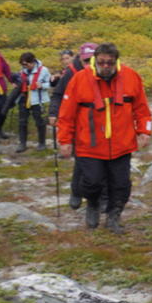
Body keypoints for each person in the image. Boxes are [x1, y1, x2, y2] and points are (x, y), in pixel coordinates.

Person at [58, 42, 152, 232]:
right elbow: (66, 114)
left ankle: (113, 217)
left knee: (121, 184)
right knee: (92, 181)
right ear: (95, 60)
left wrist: (144, 131)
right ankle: (92, 203)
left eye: (110, 62)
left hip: (122, 144)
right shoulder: (79, 79)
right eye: (102, 62)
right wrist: (65, 140)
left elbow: (142, 109)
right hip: (89, 143)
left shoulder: (131, 77)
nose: (106, 66)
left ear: (116, 61)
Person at [53, 42, 98, 209]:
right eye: (86, 60)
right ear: (80, 58)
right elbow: (58, 94)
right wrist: (53, 113)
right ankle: (76, 192)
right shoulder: (71, 72)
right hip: (78, 123)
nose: (89, 64)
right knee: (81, 161)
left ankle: (97, 199)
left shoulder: (105, 71)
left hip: (100, 125)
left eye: (92, 59)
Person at [13, 52, 52, 152]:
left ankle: (42, 143)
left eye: (26, 64)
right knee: (22, 121)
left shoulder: (43, 70)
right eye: (23, 64)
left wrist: (42, 85)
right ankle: (22, 143)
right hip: (24, 98)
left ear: (32, 61)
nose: (25, 66)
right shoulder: (22, 71)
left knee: (39, 121)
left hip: (37, 99)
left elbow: (49, 83)